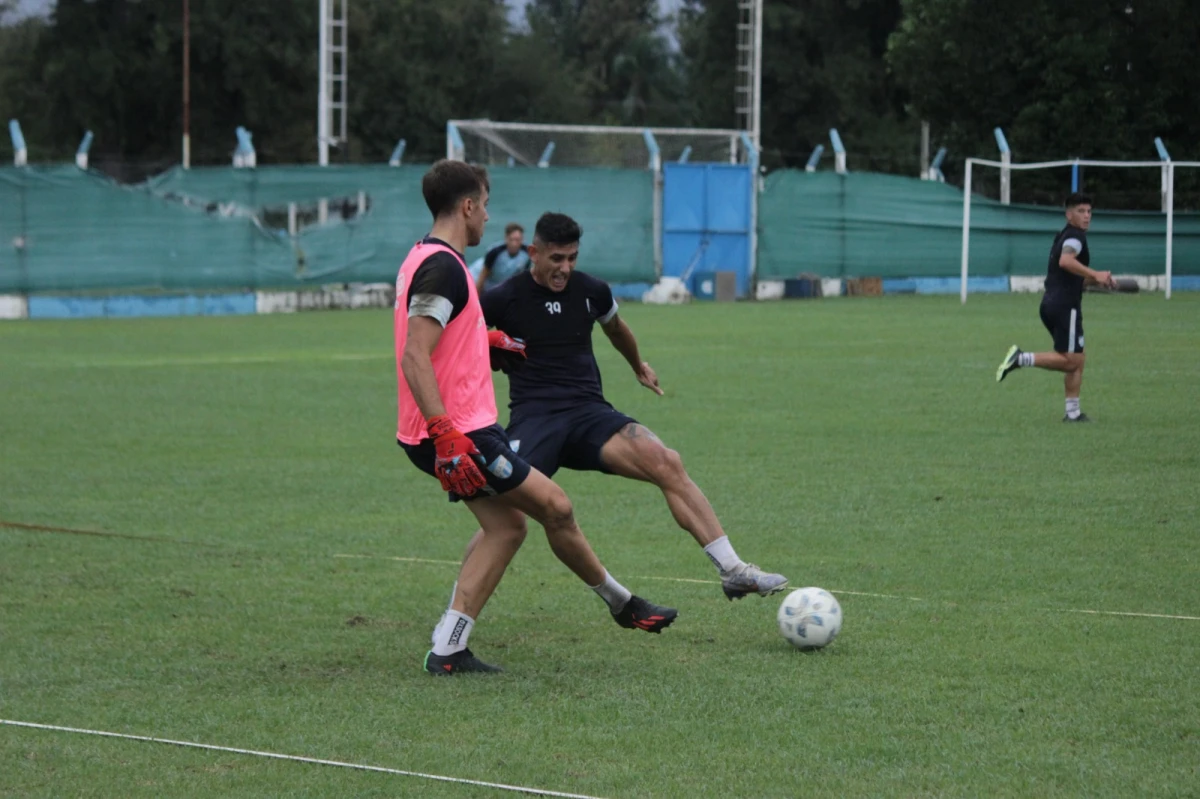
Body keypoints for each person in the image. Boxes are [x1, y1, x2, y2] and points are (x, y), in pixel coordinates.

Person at [396, 161, 677, 676]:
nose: (487, 215)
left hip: (447, 428)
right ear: (467, 207)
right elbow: (414, 353)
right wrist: (445, 436)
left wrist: (487, 341)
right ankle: (621, 604)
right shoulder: (445, 268)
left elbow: (437, 340)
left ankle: (449, 647)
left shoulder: (423, 257)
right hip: (459, 431)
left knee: (507, 528)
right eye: (485, 204)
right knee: (556, 506)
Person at [477, 211, 789, 601]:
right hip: (535, 419)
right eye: (556, 259)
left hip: (589, 413)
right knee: (506, 518)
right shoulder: (503, 297)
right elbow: (460, 337)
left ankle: (733, 569)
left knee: (666, 461)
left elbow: (616, 328)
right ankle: (458, 610)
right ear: (533, 252)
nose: (565, 268)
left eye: (572, 257)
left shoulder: (591, 290)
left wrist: (638, 365)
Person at [996, 192, 1116, 421]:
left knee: (1077, 358)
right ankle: (1021, 358)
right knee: (1072, 360)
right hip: (1064, 306)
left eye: (1089, 212)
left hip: (1052, 303)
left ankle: (1072, 413)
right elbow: (1066, 261)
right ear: (1068, 214)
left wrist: (1098, 279)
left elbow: (1069, 276)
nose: (1087, 216)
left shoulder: (1064, 235)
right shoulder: (1075, 238)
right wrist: (1095, 273)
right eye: (1081, 211)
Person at [472, 222, 530, 293]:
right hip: (477, 276)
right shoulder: (495, 252)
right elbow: (482, 278)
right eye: (512, 239)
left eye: (518, 240)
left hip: (498, 284)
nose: (514, 243)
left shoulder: (527, 252)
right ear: (506, 238)